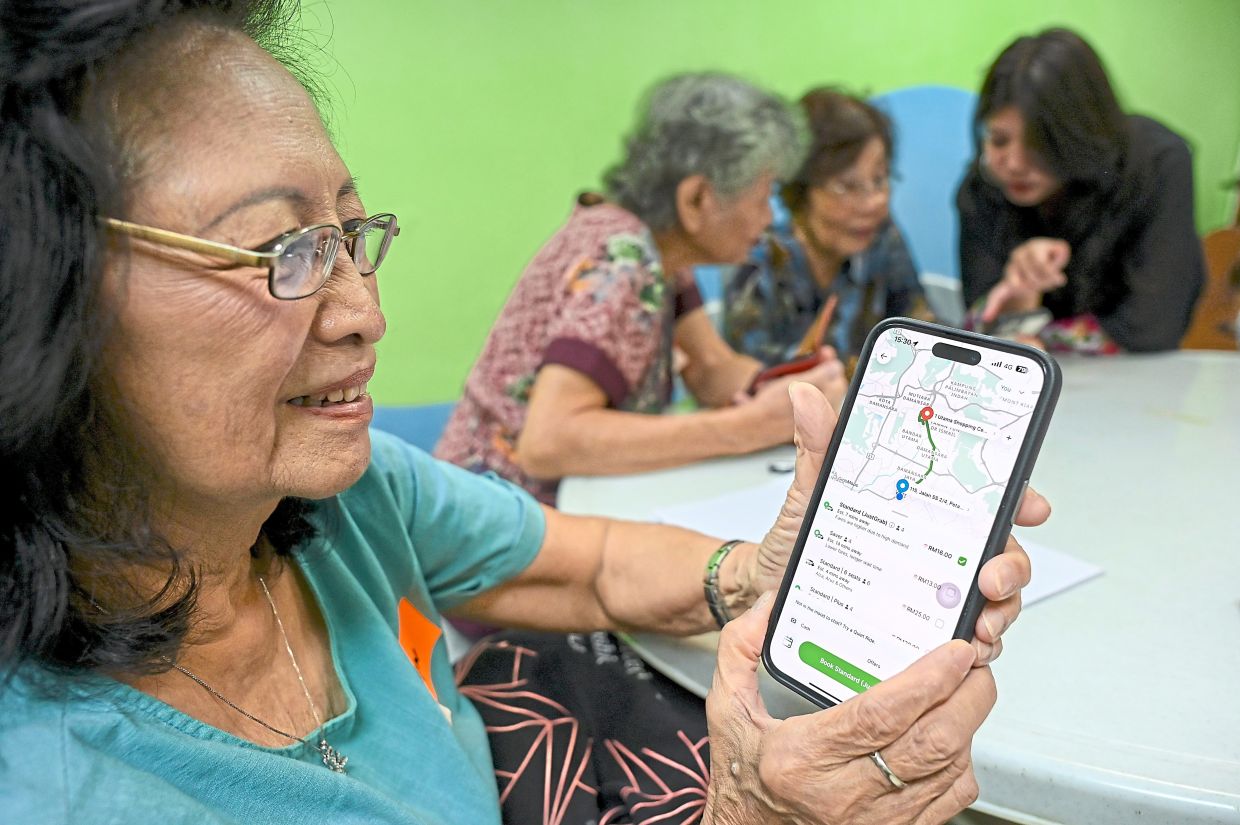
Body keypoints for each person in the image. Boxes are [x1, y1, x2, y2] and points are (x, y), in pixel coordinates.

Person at [0, 2, 1049, 823]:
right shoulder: (60, 791)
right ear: (37, 303)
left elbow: (580, 557)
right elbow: (553, 438)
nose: (366, 311)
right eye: (284, 250)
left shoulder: (348, 493)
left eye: (353, 237)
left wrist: (763, 566)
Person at [434, 74, 847, 503]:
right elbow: (548, 443)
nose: (769, 217)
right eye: (764, 195)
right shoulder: (624, 262)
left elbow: (710, 368)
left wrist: (796, 392)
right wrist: (749, 428)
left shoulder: (658, 253)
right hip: (489, 521)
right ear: (696, 200)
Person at [957, 28, 1205, 353]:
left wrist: (1039, 338)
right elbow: (979, 330)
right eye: (999, 140)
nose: (1014, 164)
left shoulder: (1155, 163)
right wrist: (1011, 300)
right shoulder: (983, 185)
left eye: (1040, 143)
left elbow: (1152, 326)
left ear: (1080, 133)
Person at [723, 88, 927, 365]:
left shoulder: (882, 239)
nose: (872, 203)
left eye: (879, 180)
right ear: (802, 189)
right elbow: (744, 373)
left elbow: (921, 324)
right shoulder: (758, 259)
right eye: (847, 186)